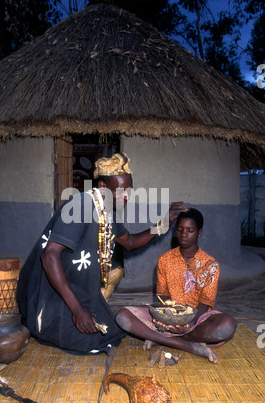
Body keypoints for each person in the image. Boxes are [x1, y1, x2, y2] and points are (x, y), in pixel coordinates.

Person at [17, 152, 186, 356]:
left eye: (129, 190)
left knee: (110, 333)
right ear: (103, 187)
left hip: (81, 291)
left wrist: (164, 223)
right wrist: (77, 310)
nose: (127, 196)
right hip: (52, 295)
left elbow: (130, 242)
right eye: (122, 191)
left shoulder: (108, 212)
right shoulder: (80, 206)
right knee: (89, 341)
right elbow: (49, 256)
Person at [115, 208, 237, 363]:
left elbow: (206, 302)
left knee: (226, 325)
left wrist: (188, 322)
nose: (183, 234)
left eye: (190, 230)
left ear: (199, 232)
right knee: (122, 316)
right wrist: (166, 318)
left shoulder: (210, 264)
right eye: (179, 229)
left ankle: (160, 338)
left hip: (196, 320)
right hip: (168, 316)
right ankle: (190, 346)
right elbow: (162, 295)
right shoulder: (165, 260)